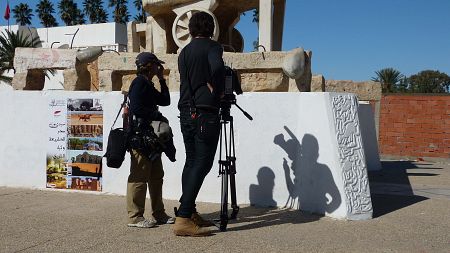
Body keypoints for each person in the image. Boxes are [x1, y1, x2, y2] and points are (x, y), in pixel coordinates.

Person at [173, 11, 225, 236]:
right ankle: (184, 217)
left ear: (191, 29)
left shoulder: (183, 52)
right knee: (203, 164)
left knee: (192, 161)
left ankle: (189, 211)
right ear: (211, 28)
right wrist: (218, 91)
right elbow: (218, 69)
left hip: (186, 111)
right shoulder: (213, 48)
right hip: (205, 113)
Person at [126, 52, 175, 228]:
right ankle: (135, 217)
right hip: (140, 139)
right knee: (139, 178)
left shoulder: (147, 83)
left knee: (156, 177)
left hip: (151, 140)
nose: (158, 68)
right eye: (156, 65)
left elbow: (165, 100)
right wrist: (157, 116)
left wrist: (162, 80)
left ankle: (159, 213)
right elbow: (137, 108)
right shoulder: (139, 82)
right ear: (149, 65)